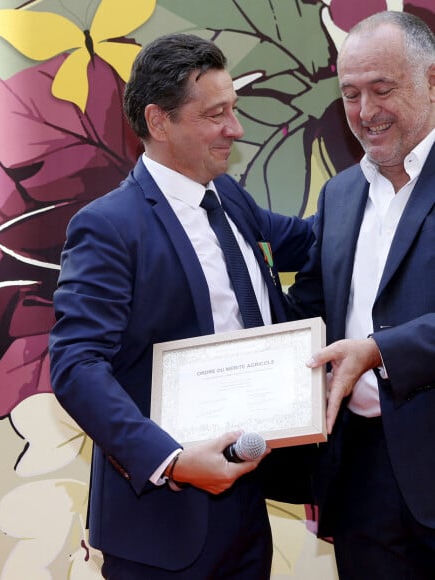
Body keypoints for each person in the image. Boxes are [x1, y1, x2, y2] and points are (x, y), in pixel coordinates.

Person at [49, 33, 314, 579]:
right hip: (161, 524)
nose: (235, 131)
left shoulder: (229, 197)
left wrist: (387, 191)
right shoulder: (107, 226)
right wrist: (171, 461)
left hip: (247, 506)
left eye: (233, 111)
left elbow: (312, 243)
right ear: (159, 120)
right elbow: (76, 366)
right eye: (216, 115)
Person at [287, 10, 435, 580]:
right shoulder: (340, 194)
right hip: (359, 476)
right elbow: (311, 308)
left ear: (431, 80)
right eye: (351, 94)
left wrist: (377, 351)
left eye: (382, 89)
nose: (366, 112)